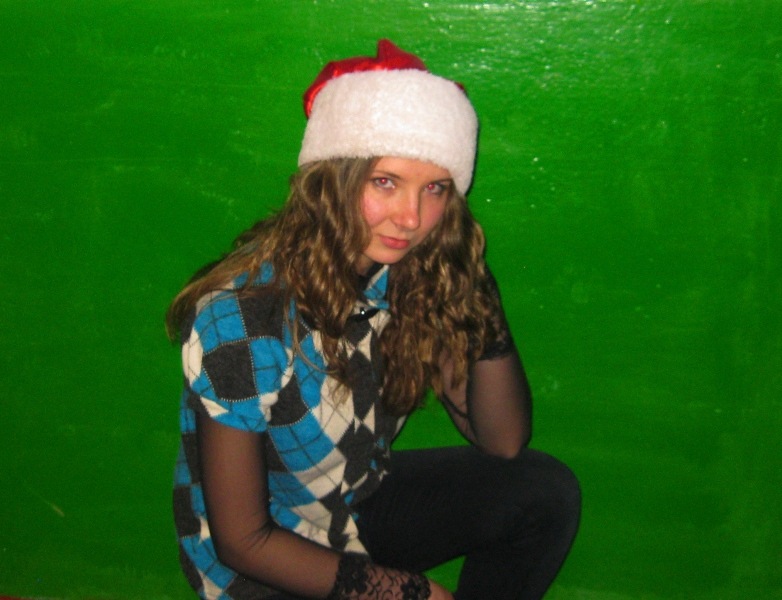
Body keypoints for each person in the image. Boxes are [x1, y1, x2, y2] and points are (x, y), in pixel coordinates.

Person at [168, 39, 580, 600]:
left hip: (353, 501)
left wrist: (476, 289)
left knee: (544, 493)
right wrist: (408, 592)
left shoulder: (407, 272)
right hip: (265, 562)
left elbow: (503, 441)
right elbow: (242, 542)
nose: (411, 217)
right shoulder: (242, 319)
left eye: (434, 189)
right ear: (332, 180)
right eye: (385, 182)